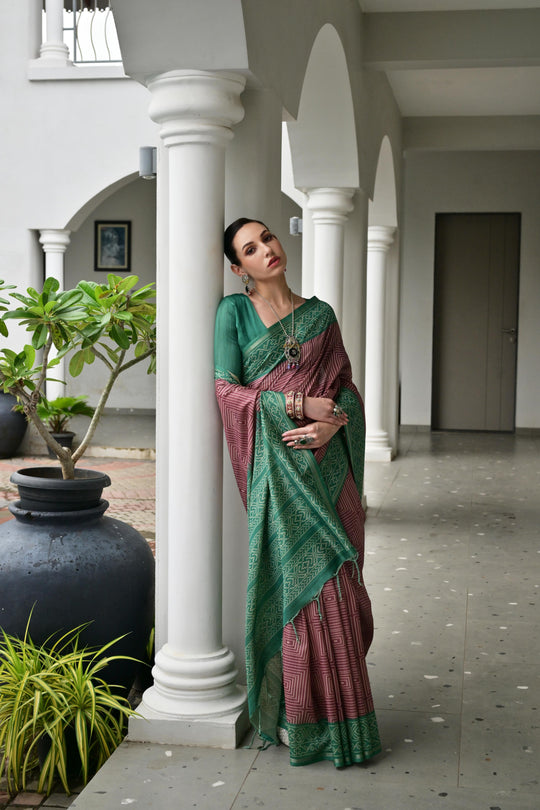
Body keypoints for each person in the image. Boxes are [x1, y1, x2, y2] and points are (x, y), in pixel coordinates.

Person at [214, 218, 381, 768]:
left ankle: (346, 716)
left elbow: (346, 393)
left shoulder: (321, 315)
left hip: (330, 471)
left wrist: (331, 423)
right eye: (250, 249)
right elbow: (227, 393)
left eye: (268, 239)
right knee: (300, 594)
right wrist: (295, 406)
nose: (266, 250)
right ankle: (299, 718)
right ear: (238, 268)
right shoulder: (232, 314)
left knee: (338, 582)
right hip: (278, 475)